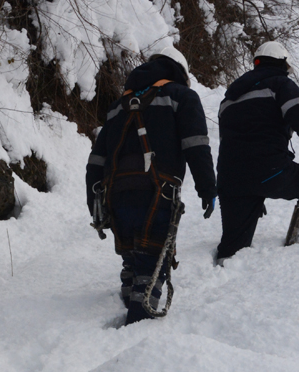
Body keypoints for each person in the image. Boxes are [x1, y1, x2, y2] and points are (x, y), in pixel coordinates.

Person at [86, 47, 216, 324]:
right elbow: (196, 145)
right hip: (157, 192)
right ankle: (136, 331)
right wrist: (207, 188)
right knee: (152, 262)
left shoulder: (117, 106)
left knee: (132, 256)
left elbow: (96, 161)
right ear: (180, 72)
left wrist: (93, 202)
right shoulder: (182, 96)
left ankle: (127, 299)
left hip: (116, 195)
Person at [215, 40, 299, 262]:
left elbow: (227, 141)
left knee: (233, 250)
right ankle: (297, 250)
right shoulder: (280, 84)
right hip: (269, 170)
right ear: (283, 63)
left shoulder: (228, 99)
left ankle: (221, 278)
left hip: (229, 178)